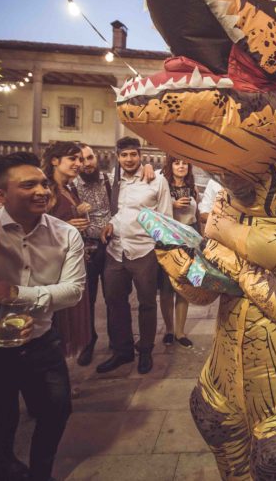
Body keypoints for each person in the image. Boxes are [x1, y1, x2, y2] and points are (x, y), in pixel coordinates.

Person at [0, 151, 85, 481]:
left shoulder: (65, 234)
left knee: (57, 410)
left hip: (41, 340)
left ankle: (41, 472)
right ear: (1, 194)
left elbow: (73, 291)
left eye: (44, 184)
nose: (42, 191)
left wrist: (15, 293)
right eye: (28, 185)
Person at [97, 137, 174, 375]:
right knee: (114, 301)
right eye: (124, 155)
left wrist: (160, 250)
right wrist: (110, 223)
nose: (129, 159)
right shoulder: (114, 180)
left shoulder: (157, 180)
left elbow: (165, 217)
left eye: (133, 154)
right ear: (118, 157)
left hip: (144, 250)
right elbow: (118, 211)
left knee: (147, 303)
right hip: (116, 250)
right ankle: (122, 351)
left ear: (140, 155)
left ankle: (146, 350)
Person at [40, 141, 92, 359]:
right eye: (72, 158)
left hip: (72, 259)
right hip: (53, 265)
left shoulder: (69, 188)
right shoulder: (46, 189)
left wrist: (77, 214)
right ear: (55, 160)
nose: (79, 163)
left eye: (80, 159)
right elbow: (37, 227)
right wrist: (67, 225)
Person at [72, 143, 113, 366]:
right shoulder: (71, 186)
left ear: (96, 158)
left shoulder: (108, 180)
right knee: (87, 299)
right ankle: (88, 341)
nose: (86, 163)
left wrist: (147, 168)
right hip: (85, 248)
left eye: (89, 158)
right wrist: (74, 211)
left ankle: (116, 339)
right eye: (81, 159)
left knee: (113, 296)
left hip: (110, 246)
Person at [159, 155, 197, 348]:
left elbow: (196, 216)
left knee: (183, 288)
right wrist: (171, 205)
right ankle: (168, 330)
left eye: (184, 162)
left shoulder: (193, 188)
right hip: (169, 242)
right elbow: (154, 212)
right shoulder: (163, 186)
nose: (181, 166)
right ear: (170, 165)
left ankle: (180, 332)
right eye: (177, 163)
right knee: (166, 289)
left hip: (188, 242)